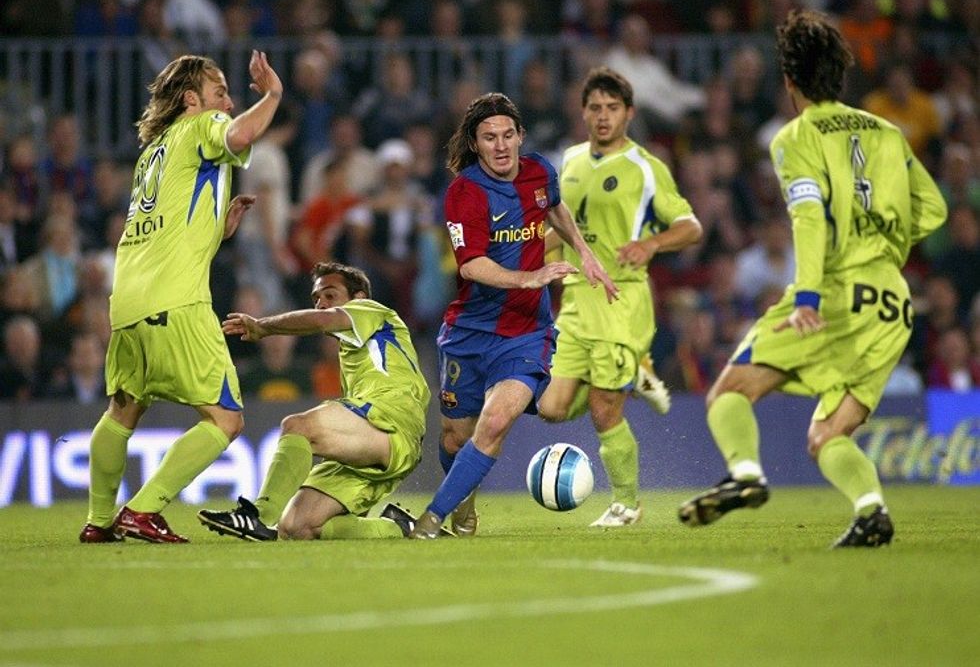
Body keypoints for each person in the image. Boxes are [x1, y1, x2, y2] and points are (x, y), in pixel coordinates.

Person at [678, 10, 947, 548]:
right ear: (840, 75)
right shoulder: (889, 134)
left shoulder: (793, 137)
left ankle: (746, 475)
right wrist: (884, 243)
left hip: (834, 293)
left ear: (789, 80)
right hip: (892, 304)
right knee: (828, 434)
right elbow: (934, 210)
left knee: (730, 391)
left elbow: (807, 217)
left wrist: (806, 294)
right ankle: (871, 511)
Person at [78, 50, 283, 544]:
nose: (229, 103)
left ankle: (99, 520)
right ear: (192, 100)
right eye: (220, 93)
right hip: (178, 302)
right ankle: (144, 509)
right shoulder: (201, 126)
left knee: (122, 411)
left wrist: (219, 230)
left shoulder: (152, 154)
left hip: (127, 303)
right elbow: (240, 134)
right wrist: (273, 94)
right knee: (226, 418)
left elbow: (167, 229)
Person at [404, 92, 618, 539]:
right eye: (489, 138)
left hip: (526, 333)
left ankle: (433, 517)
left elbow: (555, 207)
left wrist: (584, 251)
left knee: (496, 421)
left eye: (507, 135)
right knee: (454, 439)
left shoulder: (540, 171)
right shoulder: (465, 192)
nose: (500, 146)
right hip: (469, 332)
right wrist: (529, 277)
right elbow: (470, 265)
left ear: (520, 135)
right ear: (475, 144)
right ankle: (464, 507)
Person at [537, 67, 702, 527]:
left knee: (603, 408)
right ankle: (636, 371)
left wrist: (651, 244)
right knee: (550, 407)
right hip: (574, 301)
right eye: (595, 108)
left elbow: (691, 227)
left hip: (621, 299)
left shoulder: (647, 168)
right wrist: (528, 259)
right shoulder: (568, 161)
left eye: (613, 108)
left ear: (629, 113)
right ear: (583, 112)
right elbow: (559, 230)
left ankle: (626, 505)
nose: (603, 116)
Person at [197, 262, 430, 541]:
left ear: (358, 298)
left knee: (298, 426)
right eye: (316, 298)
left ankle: (256, 516)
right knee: (297, 528)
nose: (321, 304)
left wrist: (262, 327)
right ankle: (402, 528)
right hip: (374, 437)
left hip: (391, 421)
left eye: (330, 295)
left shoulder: (372, 311)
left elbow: (322, 320)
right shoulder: (354, 350)